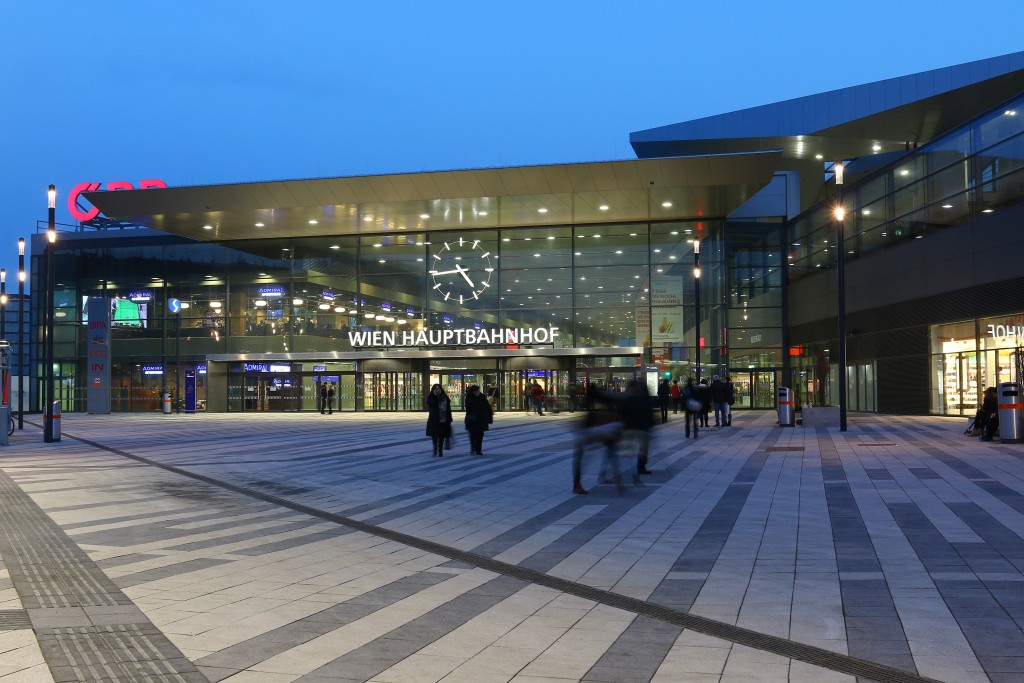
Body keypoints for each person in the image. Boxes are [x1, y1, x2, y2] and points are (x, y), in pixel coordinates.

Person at [572, 384, 623, 494]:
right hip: (603, 428)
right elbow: (615, 409)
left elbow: (585, 409)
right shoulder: (603, 398)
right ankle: (618, 482)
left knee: (580, 456)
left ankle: (577, 483)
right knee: (611, 453)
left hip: (592, 428)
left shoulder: (591, 399)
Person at [621, 379, 655, 475]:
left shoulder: (629, 397)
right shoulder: (640, 397)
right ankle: (638, 466)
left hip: (637, 426)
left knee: (641, 448)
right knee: (635, 448)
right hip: (636, 426)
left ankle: (640, 466)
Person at [464, 384, 494, 455]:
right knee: (472, 435)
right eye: (477, 391)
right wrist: (476, 399)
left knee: (480, 435)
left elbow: (487, 406)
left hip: (481, 420)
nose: (478, 392)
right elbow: (468, 407)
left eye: (478, 390)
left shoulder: (482, 397)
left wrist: (489, 416)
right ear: (473, 391)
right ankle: (473, 447)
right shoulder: (469, 397)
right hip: (472, 420)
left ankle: (478, 450)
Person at [425, 384, 453, 457]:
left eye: (438, 389)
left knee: (441, 436)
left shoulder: (445, 397)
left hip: (443, 420)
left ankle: (440, 449)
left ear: (441, 389)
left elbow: (448, 409)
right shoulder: (431, 397)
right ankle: (435, 448)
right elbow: (430, 404)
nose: (437, 390)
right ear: (433, 390)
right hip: (434, 420)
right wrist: (435, 396)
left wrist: (449, 419)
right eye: (436, 389)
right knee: (434, 435)